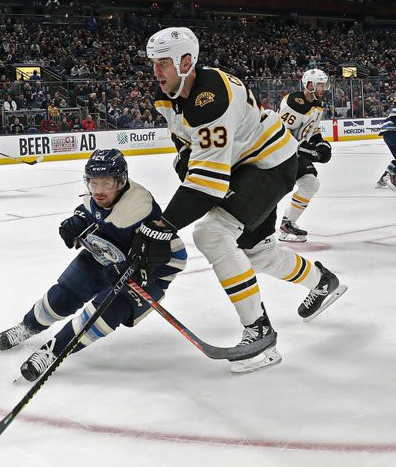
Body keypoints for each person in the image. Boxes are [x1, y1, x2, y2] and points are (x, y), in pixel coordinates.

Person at [136, 27, 346, 374]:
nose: (156, 71)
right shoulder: (166, 96)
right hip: (246, 167)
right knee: (258, 253)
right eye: (153, 63)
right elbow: (187, 148)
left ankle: (259, 333)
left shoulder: (211, 98)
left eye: (163, 63)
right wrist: (184, 167)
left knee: (211, 234)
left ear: (186, 62)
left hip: (269, 164)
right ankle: (323, 281)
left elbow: (207, 185)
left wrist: (163, 226)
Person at [0, 149, 186, 381]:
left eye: (106, 183)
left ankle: (52, 352)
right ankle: (27, 327)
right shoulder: (101, 196)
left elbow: (175, 256)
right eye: (93, 183)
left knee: (106, 312)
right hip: (108, 254)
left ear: (121, 181)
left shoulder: (139, 207)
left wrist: (140, 273)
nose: (98, 190)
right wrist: (78, 221)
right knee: (64, 294)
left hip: (151, 271)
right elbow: (91, 212)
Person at [277, 69, 334, 242]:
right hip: (278, 153)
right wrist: (305, 150)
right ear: (310, 85)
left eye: (324, 85)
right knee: (274, 189)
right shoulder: (295, 102)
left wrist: (320, 143)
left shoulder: (317, 105)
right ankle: (255, 229)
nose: (323, 88)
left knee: (310, 183)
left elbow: (312, 130)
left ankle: (288, 222)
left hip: (294, 152)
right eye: (320, 85)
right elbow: (281, 132)